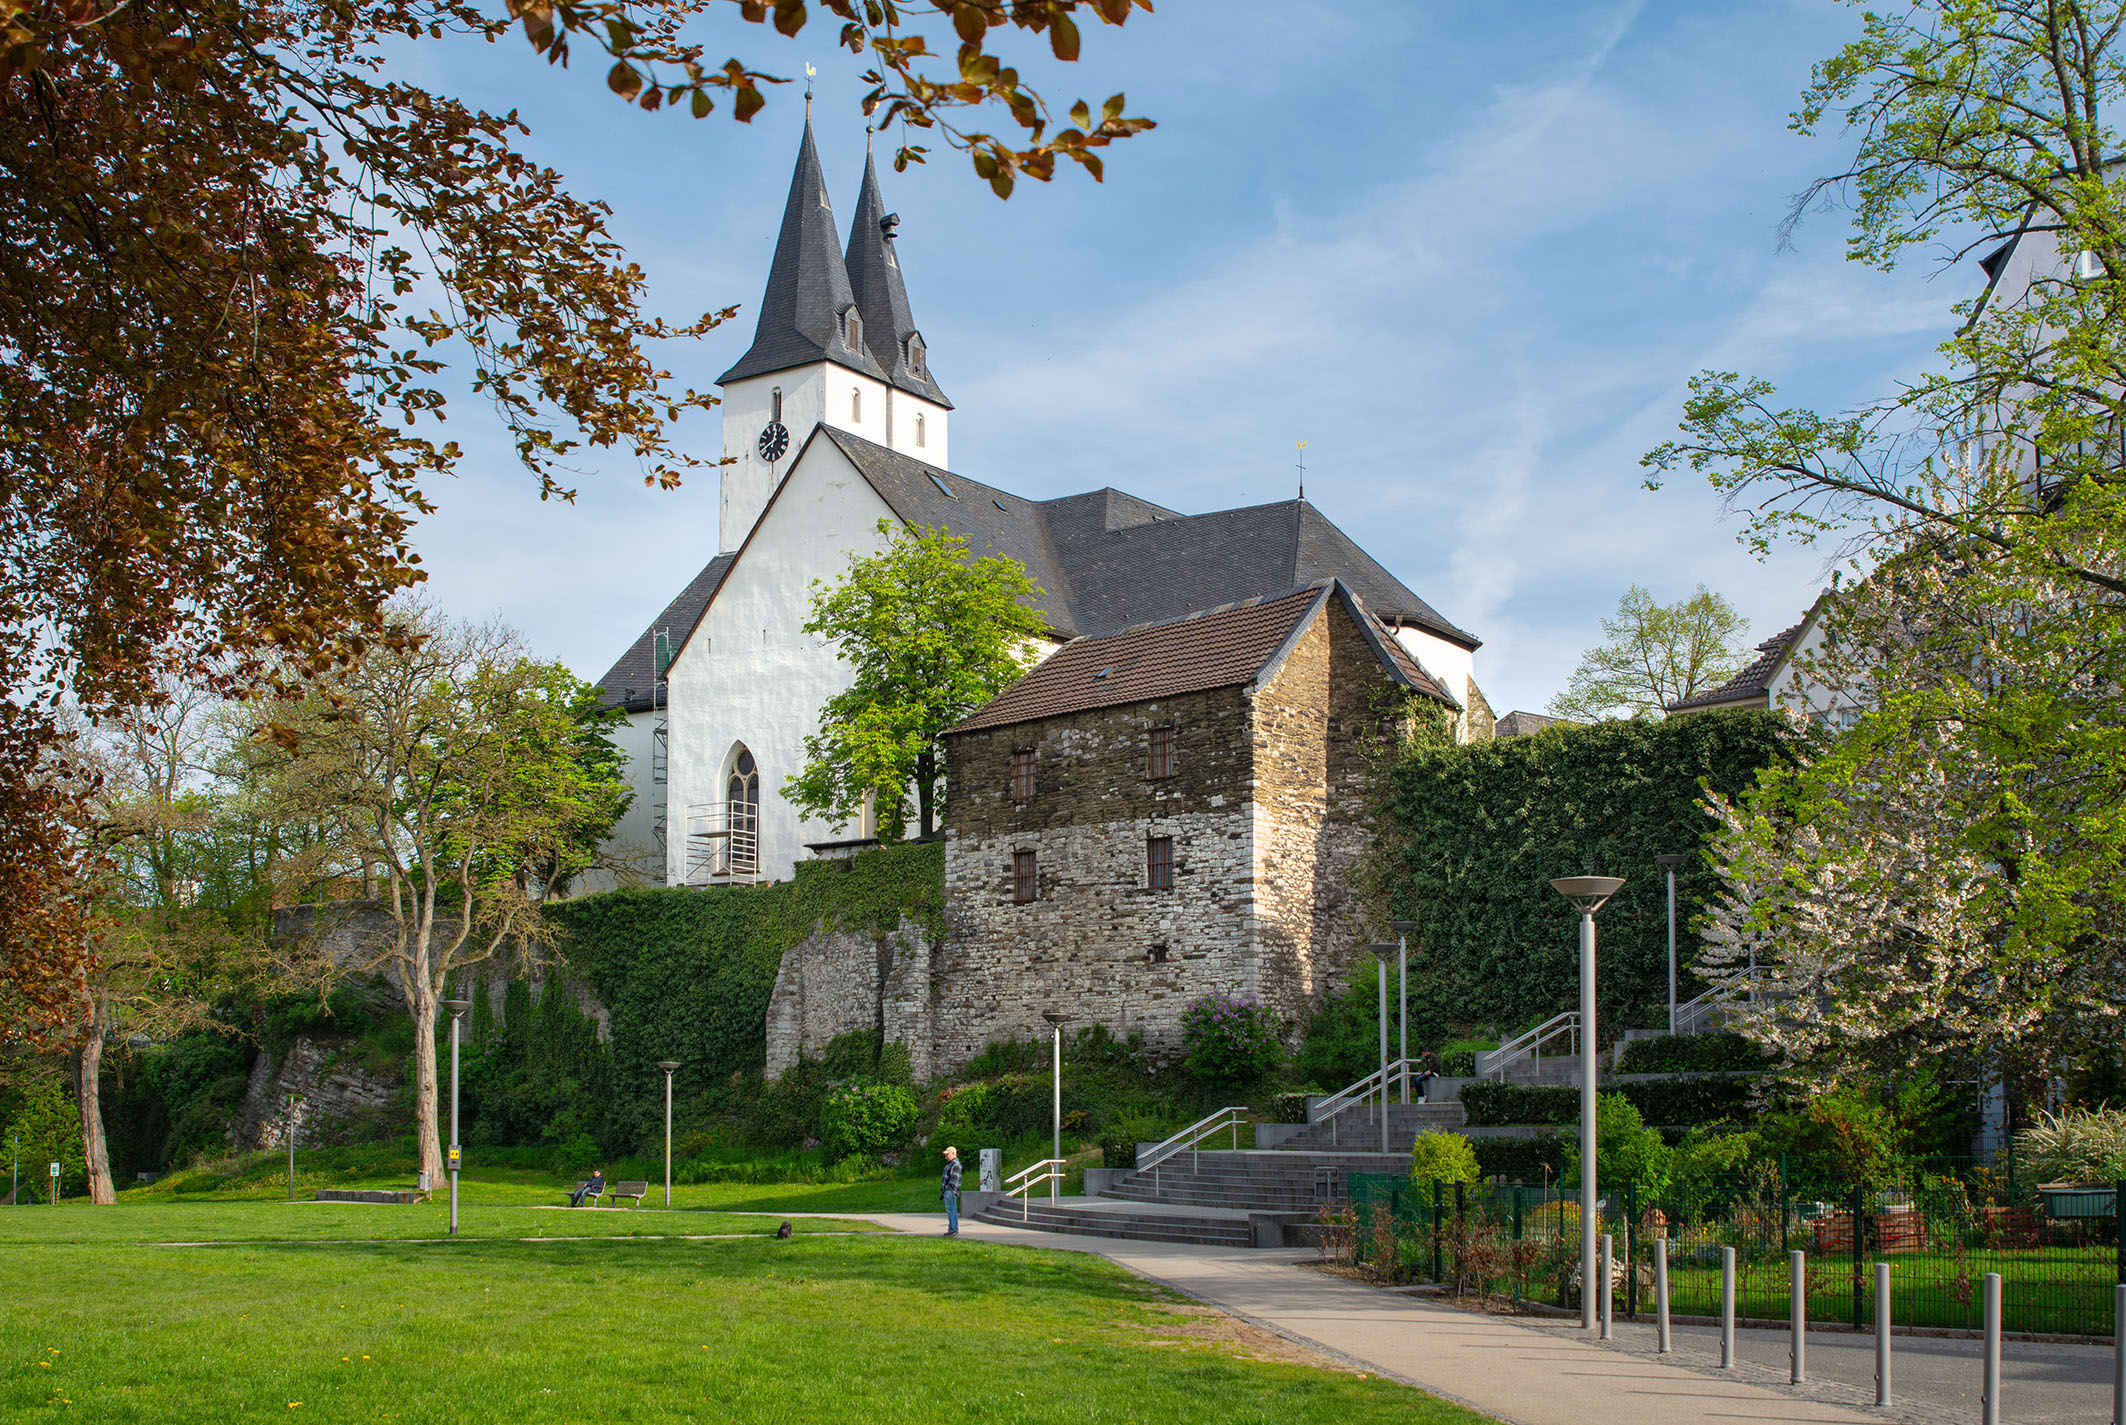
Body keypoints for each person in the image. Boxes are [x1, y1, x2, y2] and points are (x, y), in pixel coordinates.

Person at [940, 1146, 962, 1236]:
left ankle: (953, 1229)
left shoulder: (955, 1164)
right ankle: (952, 1228)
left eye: (947, 1154)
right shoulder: (950, 1164)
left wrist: (947, 1189)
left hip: (950, 1190)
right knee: (950, 1209)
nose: (946, 1156)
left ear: (953, 1153)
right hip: (947, 1190)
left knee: (951, 1210)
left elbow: (953, 1180)